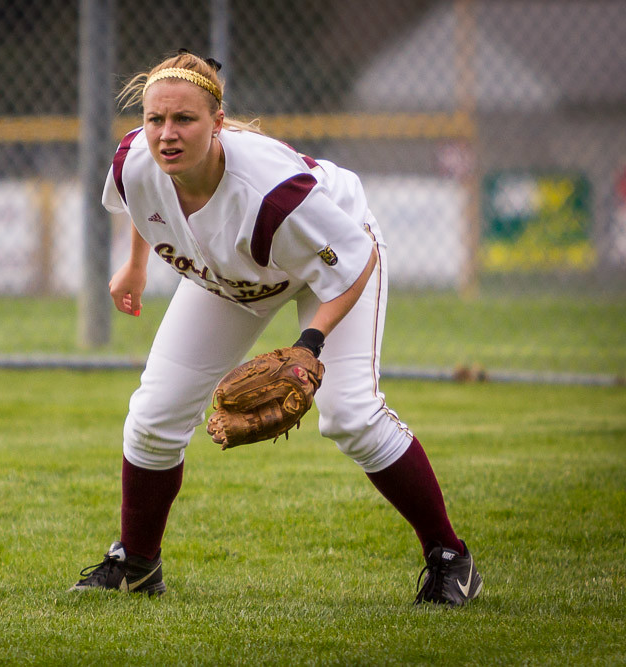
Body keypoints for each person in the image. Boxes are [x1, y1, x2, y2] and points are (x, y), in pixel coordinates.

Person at [70, 50, 482, 606]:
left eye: (184, 120)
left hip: (328, 257)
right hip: (233, 274)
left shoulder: (269, 190)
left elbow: (355, 260)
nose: (166, 133)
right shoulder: (135, 160)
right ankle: (138, 563)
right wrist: (137, 266)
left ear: (217, 124)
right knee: (152, 417)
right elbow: (143, 202)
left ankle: (451, 558)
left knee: (351, 415)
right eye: (155, 119)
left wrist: (310, 345)